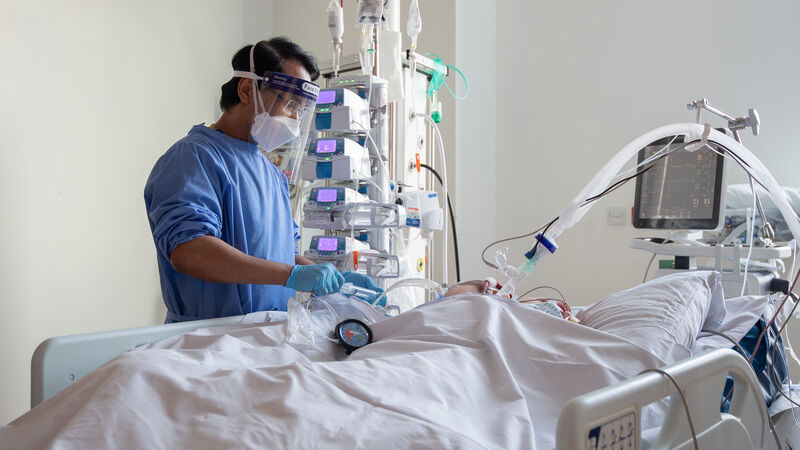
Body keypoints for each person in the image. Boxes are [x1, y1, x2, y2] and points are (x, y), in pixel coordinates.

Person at [145, 37, 381, 323]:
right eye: (291, 104)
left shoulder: (272, 175)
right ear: (247, 90)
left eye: (301, 110)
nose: (295, 119)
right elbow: (190, 251)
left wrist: (335, 282)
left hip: (266, 334)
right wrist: (291, 275)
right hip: (206, 337)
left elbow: (281, 256)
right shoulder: (193, 158)